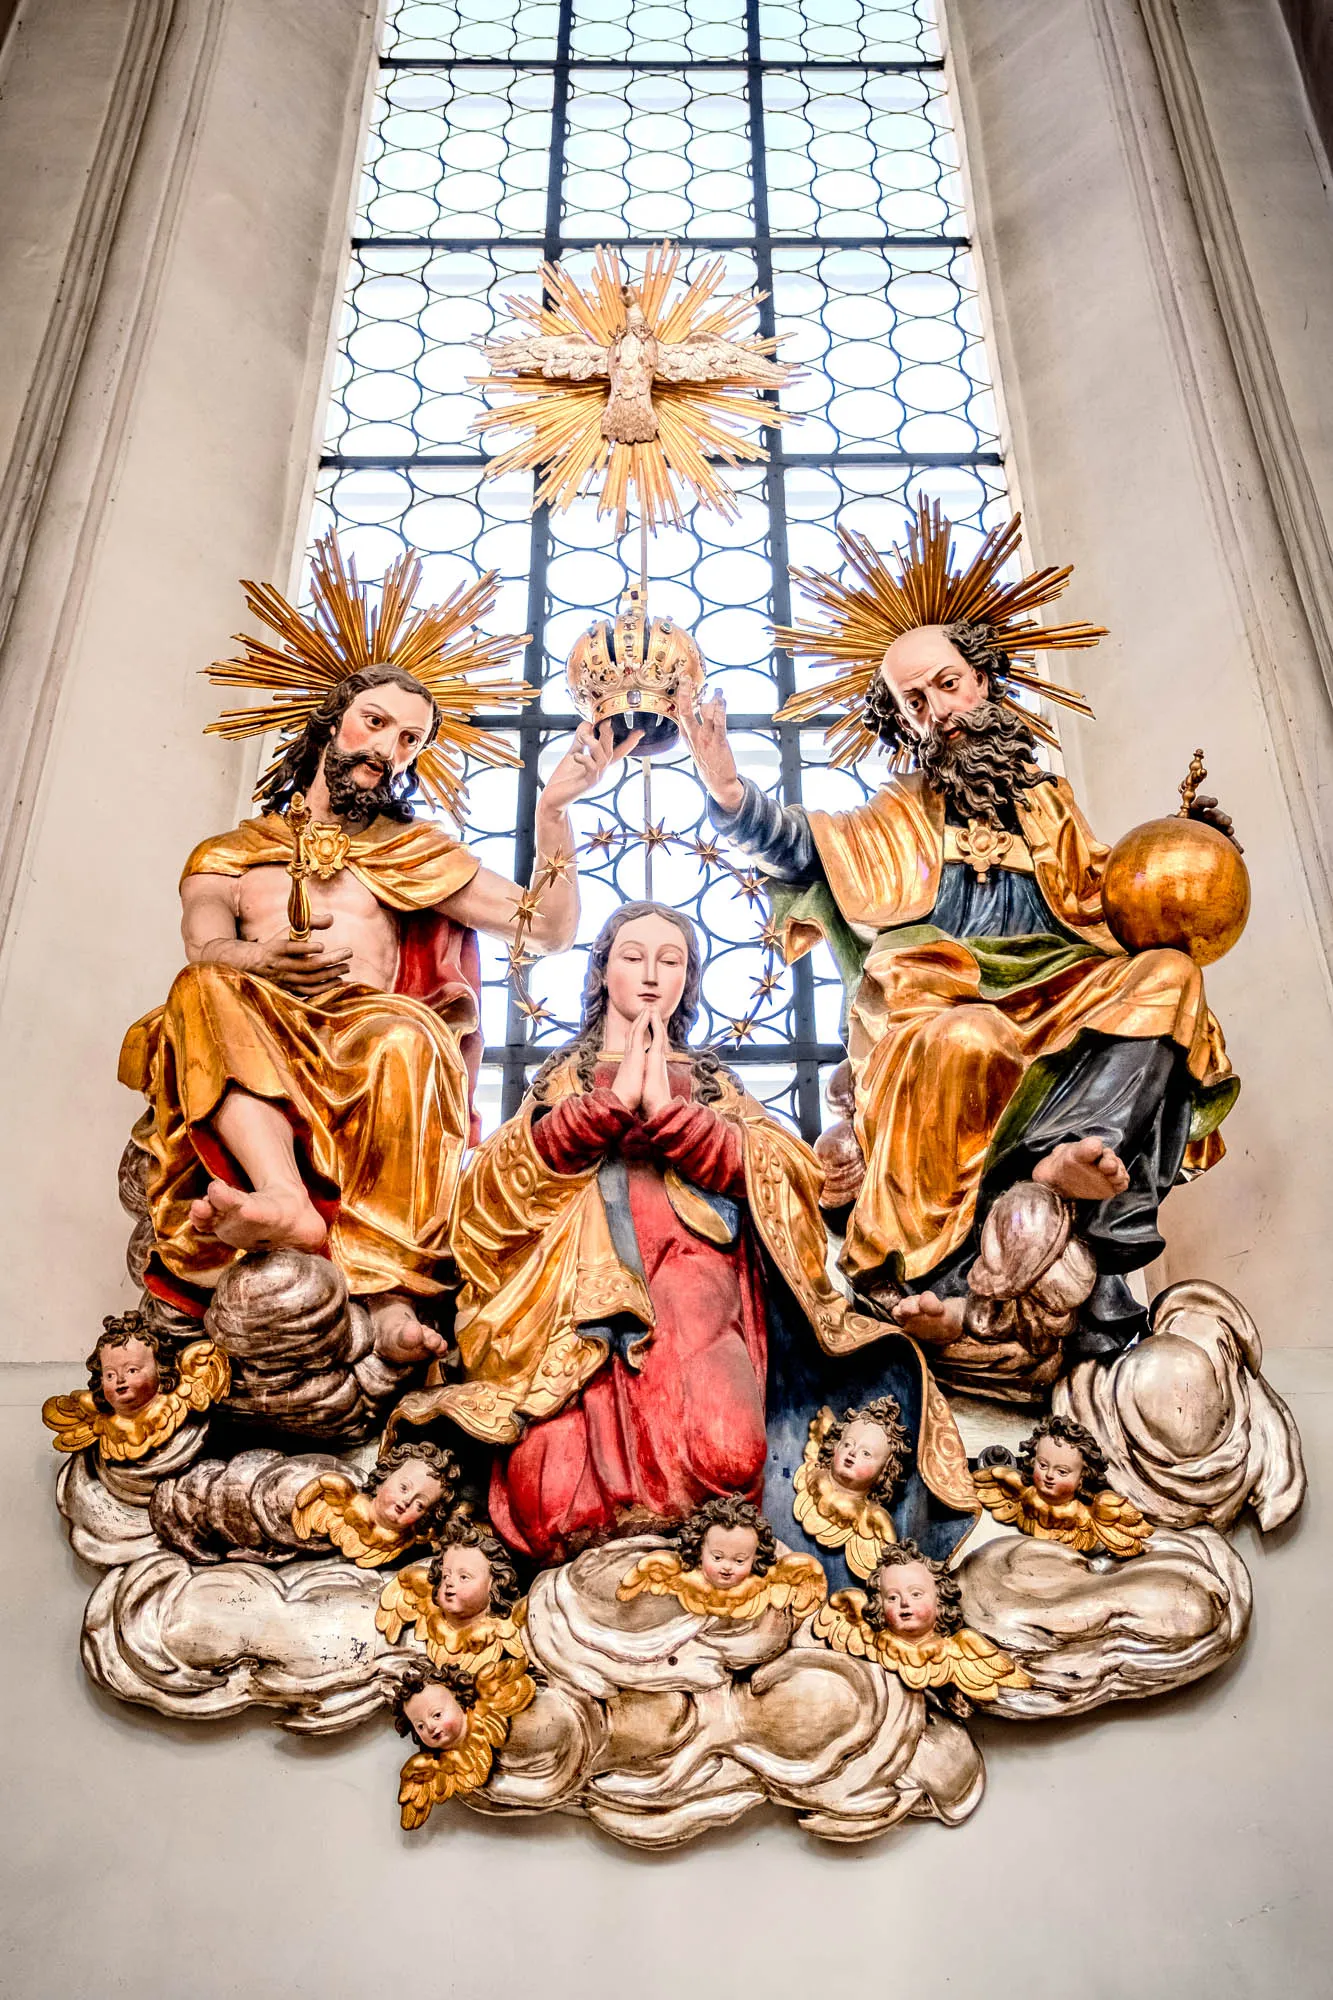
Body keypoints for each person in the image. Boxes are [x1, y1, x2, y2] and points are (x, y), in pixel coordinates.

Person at [678, 504, 1238, 1360]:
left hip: (1063, 981)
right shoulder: (904, 807)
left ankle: (1068, 1164)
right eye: (912, 699)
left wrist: (1189, 862)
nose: (934, 708)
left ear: (983, 681)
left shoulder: (1049, 804)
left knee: (1167, 978)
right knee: (968, 1037)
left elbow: (1110, 905)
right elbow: (811, 848)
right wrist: (730, 797)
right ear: (899, 718)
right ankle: (938, 1274)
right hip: (942, 990)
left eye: (946, 683)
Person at [120, 539, 638, 1367]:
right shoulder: (233, 849)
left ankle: (391, 1290)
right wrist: (260, 965)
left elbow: (544, 928)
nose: (387, 748)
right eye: (377, 722)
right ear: (333, 717)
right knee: (201, 988)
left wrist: (553, 812)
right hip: (260, 1017)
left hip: (368, 1032)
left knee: (406, 1035)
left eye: (408, 740)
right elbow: (206, 941)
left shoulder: (414, 852)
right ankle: (280, 1195)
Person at [418, 902, 956, 1564]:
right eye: (632, 957)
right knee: (545, 1490)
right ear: (602, 974)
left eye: (669, 961)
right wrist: (602, 1110)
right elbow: (495, 1189)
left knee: (727, 1451)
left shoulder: (711, 1080)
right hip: (568, 1295)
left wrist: (676, 1118)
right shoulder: (564, 1076)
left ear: (686, 981)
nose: (649, 975)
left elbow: (782, 1171)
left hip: (694, 1264)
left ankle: (712, 1555)